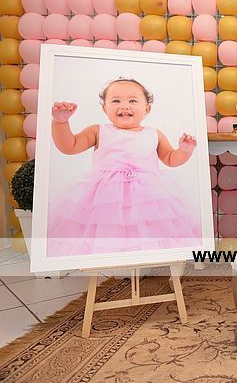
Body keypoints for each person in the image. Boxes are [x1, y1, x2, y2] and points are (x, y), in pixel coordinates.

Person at [47, 78, 202, 256]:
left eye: (133, 100)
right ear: (104, 108)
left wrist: (184, 151)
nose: (124, 106)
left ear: (147, 109)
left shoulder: (154, 134)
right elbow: (70, 146)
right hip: (105, 198)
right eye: (116, 101)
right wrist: (61, 122)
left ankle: (148, 259)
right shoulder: (97, 131)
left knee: (149, 232)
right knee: (108, 230)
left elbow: (170, 159)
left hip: (148, 198)